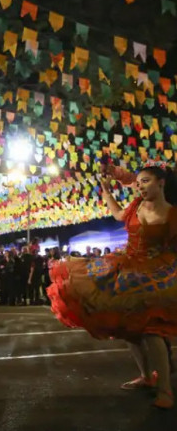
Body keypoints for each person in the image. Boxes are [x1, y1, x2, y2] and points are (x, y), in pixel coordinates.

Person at [48, 161, 177, 409]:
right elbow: (119, 215)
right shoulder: (137, 205)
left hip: (158, 273)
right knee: (128, 325)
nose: (140, 186)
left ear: (161, 183)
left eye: (145, 181)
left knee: (152, 330)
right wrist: (106, 190)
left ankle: (165, 390)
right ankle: (147, 376)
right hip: (128, 268)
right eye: (138, 182)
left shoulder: (172, 213)